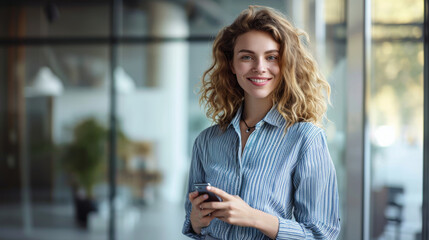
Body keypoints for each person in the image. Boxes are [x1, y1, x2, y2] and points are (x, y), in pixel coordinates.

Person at [182, 5, 341, 240]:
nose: (259, 67)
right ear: (232, 65)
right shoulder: (206, 141)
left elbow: (322, 234)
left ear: (286, 64)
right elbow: (192, 223)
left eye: (271, 57)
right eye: (247, 57)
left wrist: (253, 217)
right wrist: (195, 221)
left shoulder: (305, 139)